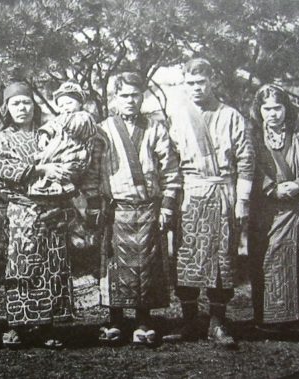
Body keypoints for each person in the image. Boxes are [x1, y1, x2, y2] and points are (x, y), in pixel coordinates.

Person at [163, 58, 255, 348]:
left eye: (201, 82)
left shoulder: (231, 116)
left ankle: (218, 322)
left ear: (212, 80)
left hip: (221, 192)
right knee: (185, 257)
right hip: (189, 194)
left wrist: (242, 201)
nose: (196, 88)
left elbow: (246, 161)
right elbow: (170, 161)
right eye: (190, 83)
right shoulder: (177, 116)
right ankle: (189, 320)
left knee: (221, 259)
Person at [87, 72, 180, 346]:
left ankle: (143, 321)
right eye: (124, 95)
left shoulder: (155, 128)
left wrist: (167, 206)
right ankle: (115, 320)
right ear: (115, 98)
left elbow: (170, 169)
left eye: (135, 95)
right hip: (115, 210)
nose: (129, 100)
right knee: (114, 266)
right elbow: (92, 172)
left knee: (147, 266)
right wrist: (94, 205)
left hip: (148, 208)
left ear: (142, 97)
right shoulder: (102, 130)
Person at [0, 82, 76, 349]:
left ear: (34, 106)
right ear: (6, 108)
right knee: (22, 263)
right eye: (15, 104)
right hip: (22, 209)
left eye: (26, 102)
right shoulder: (0, 137)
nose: (22, 108)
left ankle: (49, 325)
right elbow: (3, 168)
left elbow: (66, 160)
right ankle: (17, 324)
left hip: (53, 207)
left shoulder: (48, 134)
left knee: (54, 264)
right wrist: (42, 169)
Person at [248, 84, 299, 333]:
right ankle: (266, 318)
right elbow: (251, 168)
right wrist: (271, 188)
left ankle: (295, 319)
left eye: (277, 107)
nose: (273, 114)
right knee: (264, 260)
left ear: (285, 108)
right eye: (267, 108)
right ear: (259, 110)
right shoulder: (254, 139)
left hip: (294, 210)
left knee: (296, 262)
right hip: (265, 211)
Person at [30, 81, 96, 196]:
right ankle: (46, 185)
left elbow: (78, 127)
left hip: (74, 150)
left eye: (69, 103)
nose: (65, 108)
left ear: (80, 103)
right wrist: (44, 135)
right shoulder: (58, 119)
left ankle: (65, 185)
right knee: (47, 163)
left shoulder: (83, 116)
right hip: (57, 150)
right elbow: (49, 126)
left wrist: (63, 123)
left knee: (69, 166)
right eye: (61, 106)